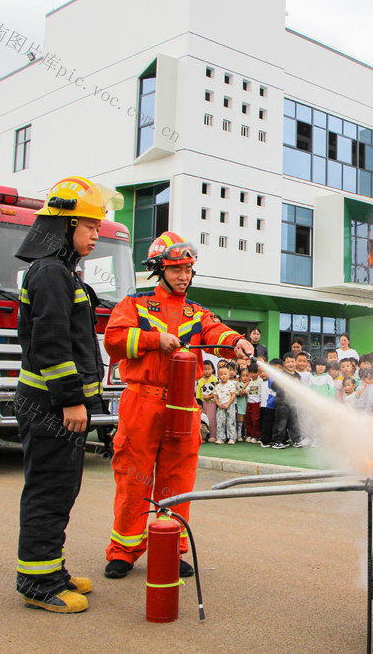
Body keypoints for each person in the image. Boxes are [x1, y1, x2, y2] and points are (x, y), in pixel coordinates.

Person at [103, 231, 253, 580]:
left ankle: (170, 548)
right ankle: (124, 552)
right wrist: (155, 340)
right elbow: (113, 340)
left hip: (184, 405)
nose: (184, 276)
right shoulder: (134, 305)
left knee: (178, 480)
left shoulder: (197, 312)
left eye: (188, 269)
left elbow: (217, 334)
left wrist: (238, 342)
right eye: (176, 269)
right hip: (142, 402)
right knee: (133, 479)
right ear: (159, 270)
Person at [12, 175, 118, 613]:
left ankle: (49, 569)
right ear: (64, 225)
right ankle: (36, 583)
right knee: (49, 491)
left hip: (54, 404)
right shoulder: (52, 273)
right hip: (51, 406)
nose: (97, 233)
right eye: (90, 226)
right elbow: (52, 342)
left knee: (60, 490)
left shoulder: (60, 272)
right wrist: (72, 400)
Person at [272, 352, 305, 448]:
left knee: (294, 422)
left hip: (293, 403)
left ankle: (296, 440)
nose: (291, 364)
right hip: (282, 403)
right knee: (281, 423)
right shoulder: (281, 374)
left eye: (292, 361)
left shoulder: (297, 375)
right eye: (288, 362)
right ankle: (277, 441)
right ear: (284, 364)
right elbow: (274, 386)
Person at [258, 359, 282, 448]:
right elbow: (276, 388)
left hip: (278, 405)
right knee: (267, 423)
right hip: (269, 405)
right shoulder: (271, 379)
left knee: (276, 423)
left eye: (279, 368)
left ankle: (275, 439)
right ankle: (265, 440)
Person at [214, 363, 239, 444]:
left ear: (228, 375)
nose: (223, 376)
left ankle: (232, 437)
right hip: (220, 406)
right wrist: (218, 404)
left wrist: (228, 404)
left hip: (230, 405)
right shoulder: (217, 386)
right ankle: (220, 438)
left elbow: (233, 395)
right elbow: (215, 396)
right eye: (221, 374)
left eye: (225, 374)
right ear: (218, 376)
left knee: (230, 421)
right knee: (220, 421)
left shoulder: (231, 385)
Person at [195, 360, 218, 443]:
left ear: (212, 369)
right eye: (204, 369)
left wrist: (210, 396)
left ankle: (212, 435)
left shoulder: (214, 380)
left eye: (208, 369)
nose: (206, 371)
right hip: (202, 402)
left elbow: (217, 391)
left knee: (212, 419)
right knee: (202, 418)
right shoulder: (200, 381)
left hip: (212, 402)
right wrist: (199, 402)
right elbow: (198, 393)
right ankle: (202, 435)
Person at [244, 365, 262, 443]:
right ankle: (249, 434)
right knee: (248, 419)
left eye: (255, 372)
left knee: (256, 420)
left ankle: (256, 436)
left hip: (256, 403)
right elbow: (246, 391)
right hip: (249, 403)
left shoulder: (260, 381)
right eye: (251, 373)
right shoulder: (249, 382)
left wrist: (261, 401)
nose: (253, 374)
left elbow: (262, 392)